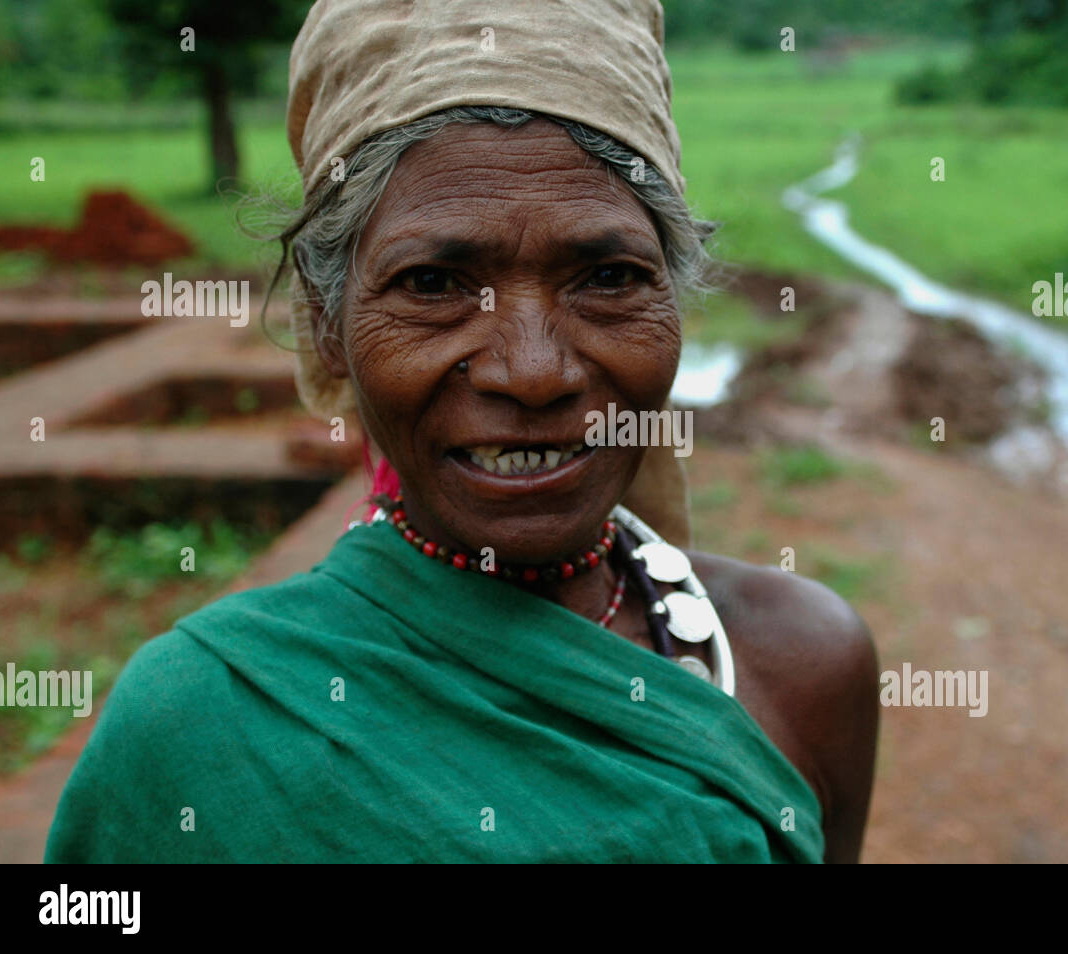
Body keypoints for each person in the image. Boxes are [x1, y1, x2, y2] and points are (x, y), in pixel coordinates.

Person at [46, 0, 878, 864]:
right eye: (435, 284)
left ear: (673, 296)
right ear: (327, 325)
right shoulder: (198, 724)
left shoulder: (805, 663)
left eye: (607, 276)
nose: (532, 372)